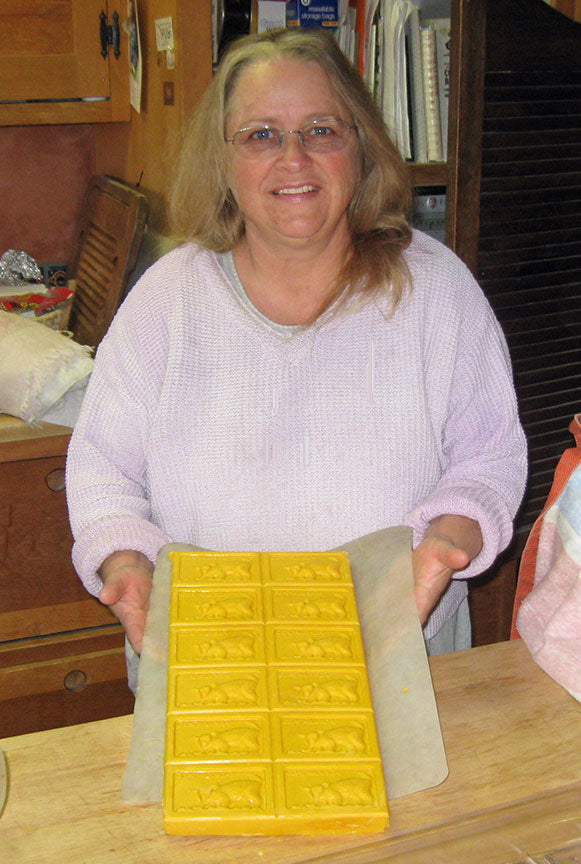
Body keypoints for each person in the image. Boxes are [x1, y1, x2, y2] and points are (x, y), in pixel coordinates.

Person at [66, 27, 526, 669]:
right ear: (223, 160)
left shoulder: (435, 290)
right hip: (209, 654)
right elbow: (102, 464)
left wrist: (450, 539)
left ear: (360, 147)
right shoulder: (167, 298)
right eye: (261, 134)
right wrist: (123, 556)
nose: (294, 158)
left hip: (397, 650)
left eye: (321, 129)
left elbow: (489, 454)